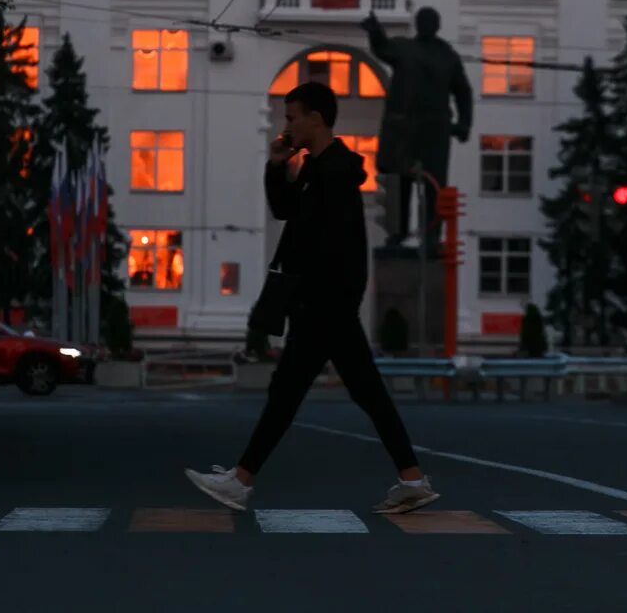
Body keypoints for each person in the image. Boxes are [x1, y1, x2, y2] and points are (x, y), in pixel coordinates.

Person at [185, 81, 438, 515]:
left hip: (324, 307)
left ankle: (240, 481)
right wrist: (276, 167)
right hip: (327, 308)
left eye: (291, 117)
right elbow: (286, 212)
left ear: (315, 119)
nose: (287, 125)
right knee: (359, 394)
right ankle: (412, 479)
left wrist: (323, 302)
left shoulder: (334, 174)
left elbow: (343, 249)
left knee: (289, 395)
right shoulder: (317, 170)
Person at [361, 8, 473, 246]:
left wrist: (464, 123)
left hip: (436, 129)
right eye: (422, 21)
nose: (426, 25)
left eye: (430, 21)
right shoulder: (404, 48)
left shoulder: (447, 56)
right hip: (407, 128)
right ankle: (399, 232)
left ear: (437, 25)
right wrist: (375, 31)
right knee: (402, 182)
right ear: (418, 24)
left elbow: (463, 91)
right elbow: (383, 48)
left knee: (435, 183)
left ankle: (431, 235)